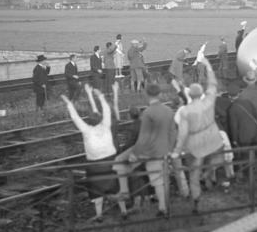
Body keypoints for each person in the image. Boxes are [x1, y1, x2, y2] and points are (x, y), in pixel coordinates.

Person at [62, 84, 129, 220]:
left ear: (89, 122)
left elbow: (76, 118)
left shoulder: (87, 131)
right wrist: (101, 96)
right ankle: (123, 211)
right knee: (115, 186)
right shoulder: (106, 126)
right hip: (111, 162)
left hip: (94, 166)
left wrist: (69, 105)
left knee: (97, 191)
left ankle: (99, 215)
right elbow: (107, 111)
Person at [171, 57, 224, 214]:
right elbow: (213, 85)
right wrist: (208, 68)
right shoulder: (208, 102)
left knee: (193, 173)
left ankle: (196, 200)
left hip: (195, 143)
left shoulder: (186, 111)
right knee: (219, 158)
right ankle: (207, 173)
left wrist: (176, 151)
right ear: (201, 93)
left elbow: (182, 133)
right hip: (212, 138)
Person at [128, 83, 176, 217]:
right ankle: (166, 207)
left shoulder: (147, 113)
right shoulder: (168, 110)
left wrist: (135, 154)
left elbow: (143, 138)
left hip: (153, 154)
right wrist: (171, 149)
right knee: (165, 178)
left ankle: (163, 208)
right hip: (166, 151)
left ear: (146, 95)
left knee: (157, 182)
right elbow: (173, 132)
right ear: (160, 94)